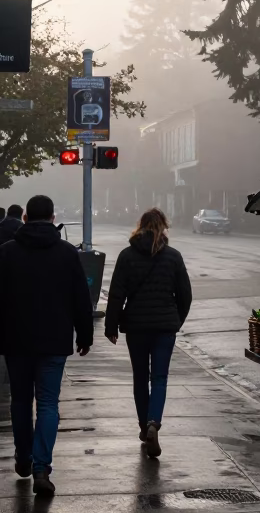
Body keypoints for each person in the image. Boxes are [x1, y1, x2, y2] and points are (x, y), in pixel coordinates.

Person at [0, 194, 93, 496]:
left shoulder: (7, 252)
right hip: (54, 340)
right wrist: (85, 334)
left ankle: (23, 456)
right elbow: (81, 298)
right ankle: (41, 467)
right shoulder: (66, 253)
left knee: (20, 401)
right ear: (53, 219)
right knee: (49, 404)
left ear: (25, 218)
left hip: (16, 340)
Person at [105, 208, 191, 458]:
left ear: (140, 226)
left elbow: (116, 294)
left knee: (140, 378)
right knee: (160, 378)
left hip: (136, 326)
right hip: (165, 327)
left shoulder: (127, 255)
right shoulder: (173, 257)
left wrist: (111, 326)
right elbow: (185, 295)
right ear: (163, 227)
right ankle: (154, 422)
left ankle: (144, 427)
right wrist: (175, 320)